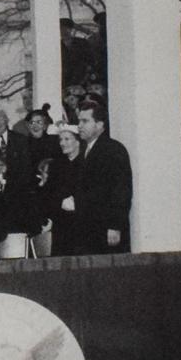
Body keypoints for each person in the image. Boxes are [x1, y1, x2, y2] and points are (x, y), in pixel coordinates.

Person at [75, 103, 132, 254]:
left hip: (106, 230)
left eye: (85, 121)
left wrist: (115, 226)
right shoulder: (84, 151)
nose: (79, 126)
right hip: (88, 229)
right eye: (79, 121)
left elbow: (121, 190)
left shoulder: (114, 150)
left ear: (100, 124)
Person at [42, 124, 84, 256]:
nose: (62, 143)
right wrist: (60, 202)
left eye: (67, 139)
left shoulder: (87, 163)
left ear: (77, 142)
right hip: (61, 225)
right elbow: (48, 193)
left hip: (82, 223)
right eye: (60, 140)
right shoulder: (56, 166)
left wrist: (77, 202)